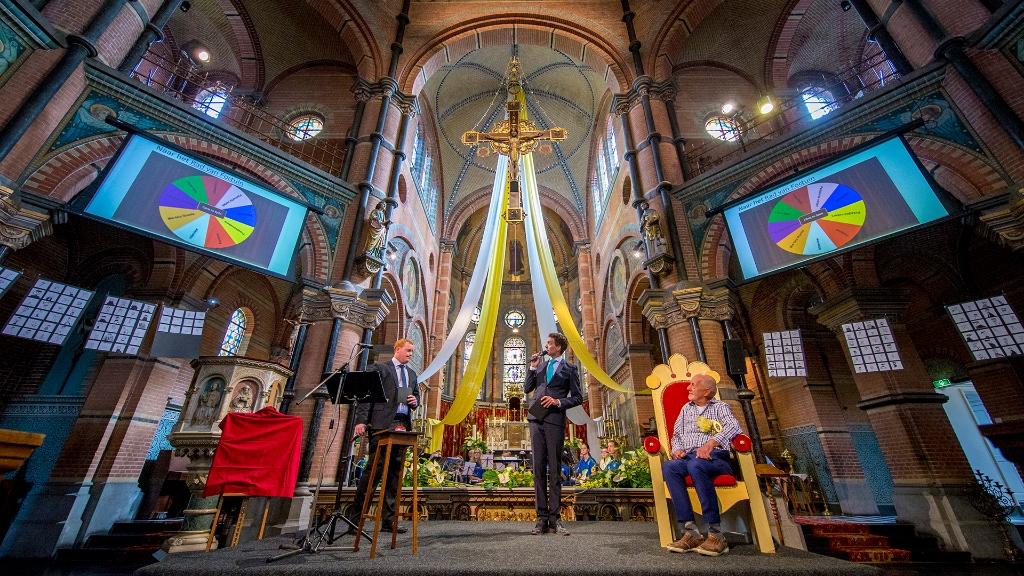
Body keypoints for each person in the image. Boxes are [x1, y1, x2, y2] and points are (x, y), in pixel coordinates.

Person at [661, 374, 742, 556]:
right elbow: (677, 435)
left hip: (716, 458)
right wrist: (677, 449)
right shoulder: (686, 409)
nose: (688, 388)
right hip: (689, 457)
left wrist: (710, 444)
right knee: (669, 467)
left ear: (706, 391)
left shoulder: (720, 407)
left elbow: (734, 427)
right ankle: (691, 532)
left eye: (693, 385)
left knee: (696, 466)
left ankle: (716, 534)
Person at [346, 339, 420, 534]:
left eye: (412, 351)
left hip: (402, 426)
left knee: (394, 476)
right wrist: (361, 421)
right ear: (397, 349)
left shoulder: (412, 374)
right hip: (382, 425)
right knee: (373, 473)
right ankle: (356, 521)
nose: (410, 354)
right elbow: (366, 396)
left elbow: (416, 396)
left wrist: (415, 401)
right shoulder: (381, 368)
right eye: (408, 350)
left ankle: (388, 522)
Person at [525, 332, 583, 535]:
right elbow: (527, 388)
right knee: (538, 468)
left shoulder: (570, 369)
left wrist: (558, 401)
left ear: (558, 347)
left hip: (555, 419)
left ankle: (555, 518)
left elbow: (577, 397)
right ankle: (541, 518)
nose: (546, 346)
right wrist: (532, 368)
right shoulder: (540, 366)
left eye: (549, 343)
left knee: (555, 469)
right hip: (536, 417)